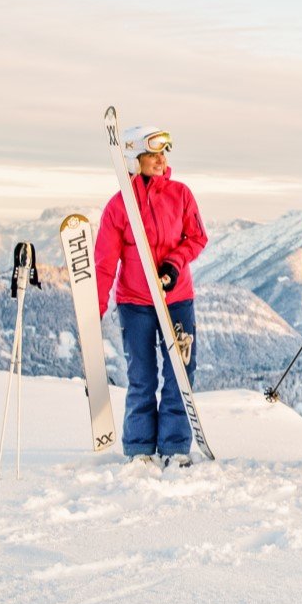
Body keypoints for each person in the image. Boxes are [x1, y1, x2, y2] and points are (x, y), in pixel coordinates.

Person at [96, 125, 208, 468]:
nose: (161, 160)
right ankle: (140, 447)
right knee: (142, 376)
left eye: (163, 154)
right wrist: (94, 310)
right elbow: (104, 262)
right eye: (152, 155)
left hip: (176, 299)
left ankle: (175, 446)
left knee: (179, 373)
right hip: (135, 303)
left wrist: (173, 266)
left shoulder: (181, 194)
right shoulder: (119, 207)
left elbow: (197, 238)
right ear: (133, 159)